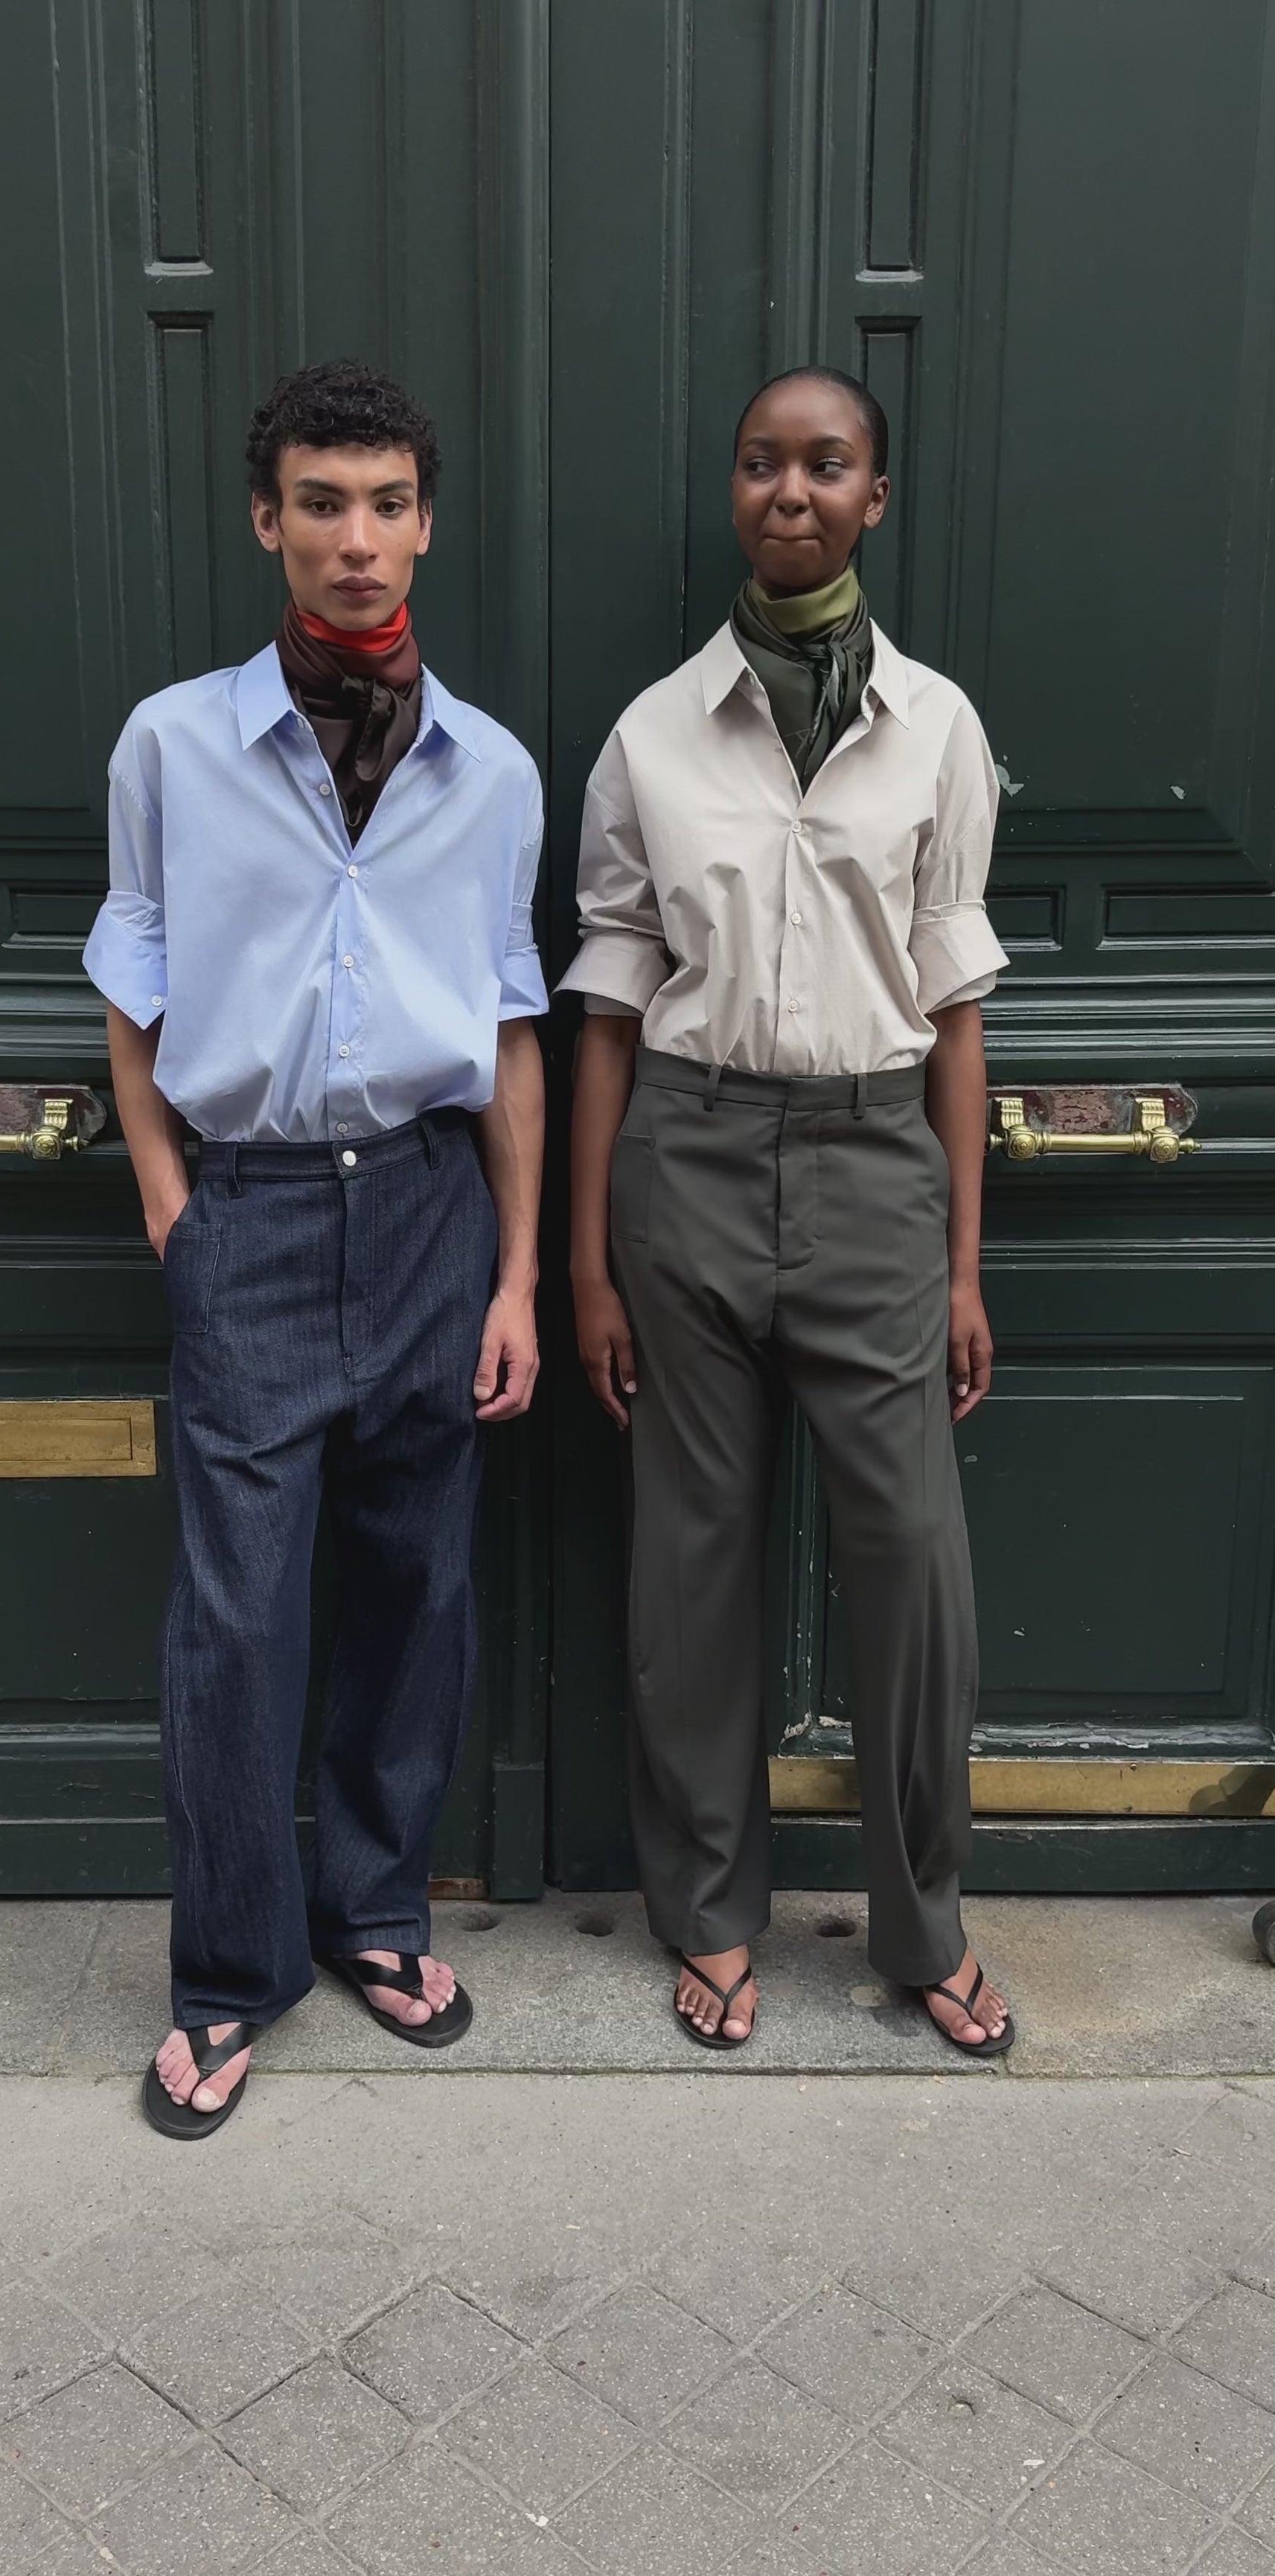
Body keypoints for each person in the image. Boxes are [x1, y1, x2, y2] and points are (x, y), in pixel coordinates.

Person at [83, 360, 546, 2135]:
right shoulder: (172, 744)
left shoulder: (490, 768)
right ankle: (224, 1975)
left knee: (416, 1591)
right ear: (267, 518)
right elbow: (131, 974)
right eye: (320, 503)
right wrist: (164, 1189)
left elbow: (511, 1026)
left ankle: (371, 1907)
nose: (356, 540)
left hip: (432, 1208)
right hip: (254, 1211)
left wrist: (511, 1270)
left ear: (426, 520)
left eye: (386, 504)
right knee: (234, 1619)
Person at [563, 366, 1013, 2058]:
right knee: (693, 1559)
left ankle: (922, 1923)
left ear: (872, 497)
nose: (792, 491)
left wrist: (962, 1257)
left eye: (826, 465)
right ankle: (708, 1911)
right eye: (762, 463)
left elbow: (956, 1003)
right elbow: (606, 1006)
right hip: (682, 1155)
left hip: (873, 1158)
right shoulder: (653, 734)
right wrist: (591, 1257)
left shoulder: (939, 728)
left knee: (911, 1559)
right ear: (733, 492)